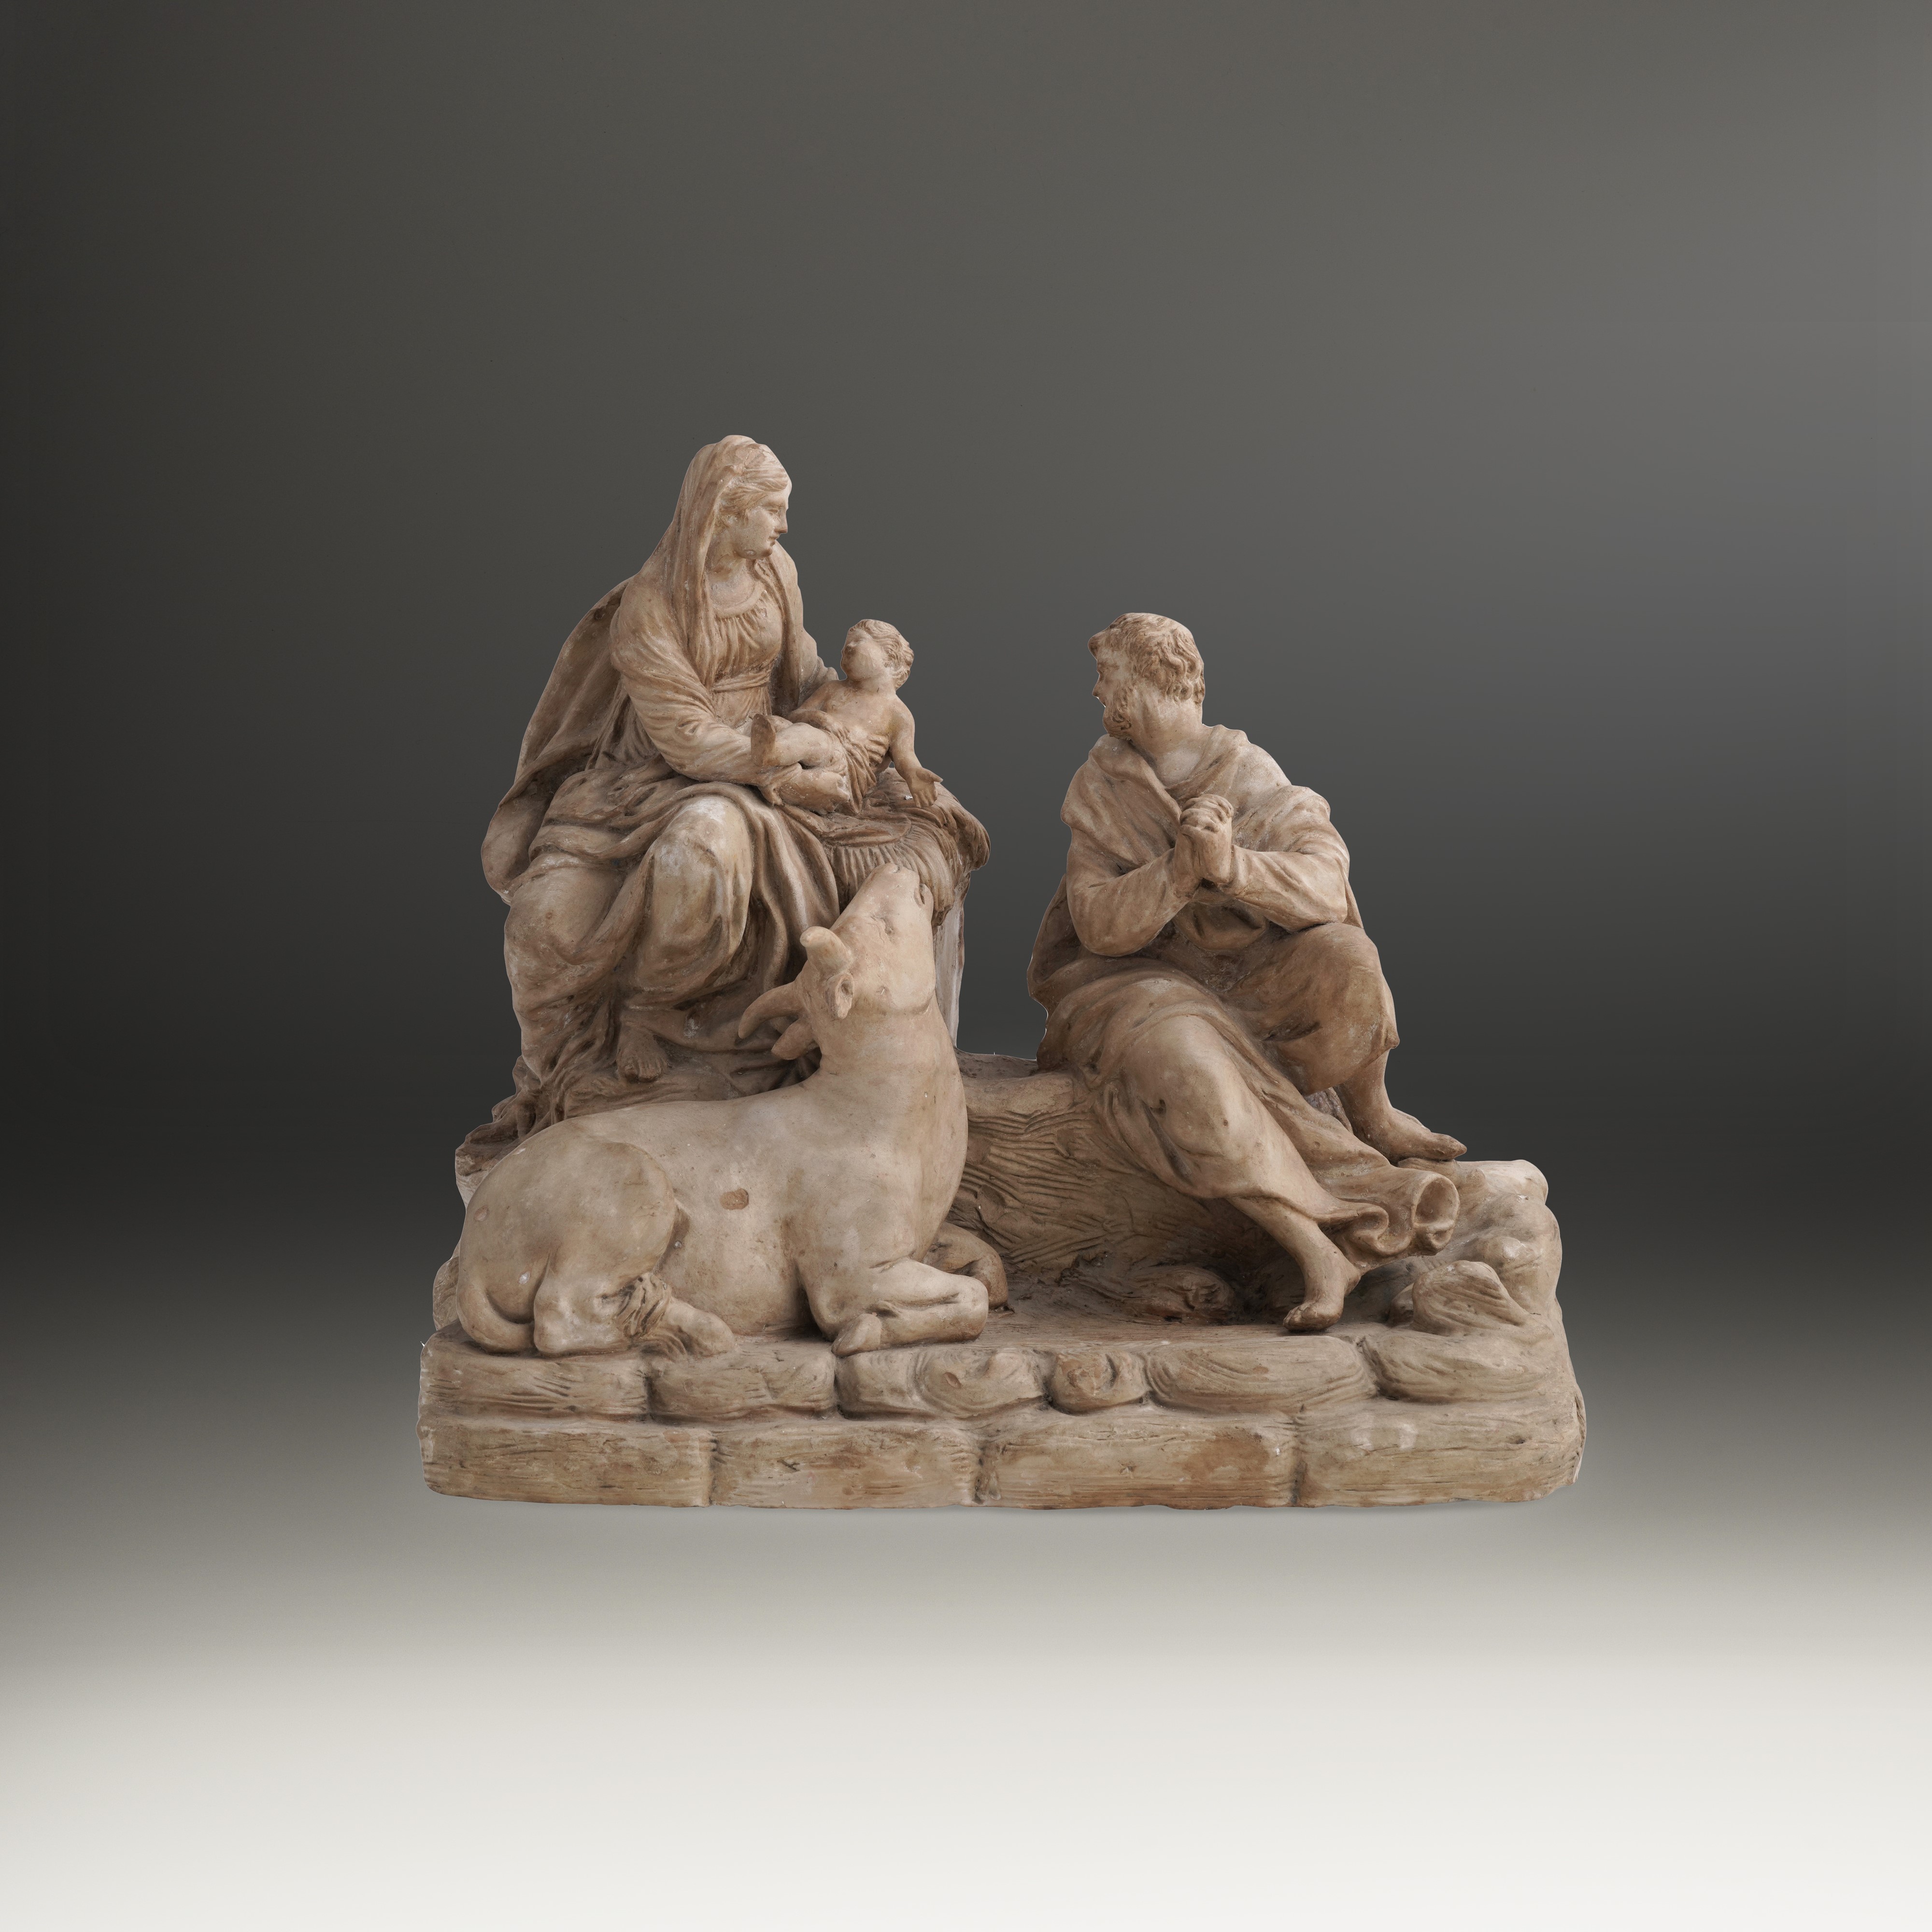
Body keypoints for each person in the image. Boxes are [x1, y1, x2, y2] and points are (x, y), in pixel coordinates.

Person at [465, 437, 986, 1160]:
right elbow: (685, 738)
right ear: (724, 512)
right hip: (654, 778)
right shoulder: (653, 606)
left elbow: (802, 672)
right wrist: (783, 756)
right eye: (772, 510)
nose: (783, 525)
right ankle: (594, 1059)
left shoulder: (775, 572)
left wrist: (858, 732)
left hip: (750, 777)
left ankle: (652, 1013)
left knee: (702, 845)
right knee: (545, 919)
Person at [1027, 612, 1462, 1330]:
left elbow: (1327, 886)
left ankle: (1372, 1115)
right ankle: (1318, 1246)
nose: (1097, 695)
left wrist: (1232, 867)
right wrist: (1175, 874)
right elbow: (1099, 925)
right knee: (1183, 1055)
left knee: (1348, 959)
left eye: (1107, 679)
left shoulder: (1249, 774)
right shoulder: (1103, 785)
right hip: (1133, 983)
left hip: (1252, 979)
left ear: (1151, 681)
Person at [752, 620, 945, 811]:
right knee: (778, 724)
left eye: (858, 641)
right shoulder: (832, 689)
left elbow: (905, 757)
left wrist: (915, 774)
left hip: (848, 765)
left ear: (889, 657)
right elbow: (794, 716)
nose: (846, 648)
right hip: (816, 748)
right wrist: (820, 718)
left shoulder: (898, 713)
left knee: (809, 737)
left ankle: (773, 754)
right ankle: (775, 771)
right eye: (846, 644)